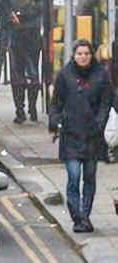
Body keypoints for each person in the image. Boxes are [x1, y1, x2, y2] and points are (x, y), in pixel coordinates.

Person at [48, 38, 112, 233]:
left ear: (91, 55)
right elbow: (56, 102)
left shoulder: (100, 75)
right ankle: (77, 216)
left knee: (90, 178)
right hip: (71, 135)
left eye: (86, 53)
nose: (83, 57)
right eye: (79, 54)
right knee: (74, 177)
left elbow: (106, 102)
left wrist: (100, 122)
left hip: (93, 136)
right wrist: (55, 120)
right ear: (73, 56)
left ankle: (85, 215)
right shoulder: (64, 75)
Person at [0, 0, 43, 124]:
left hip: (24, 32)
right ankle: (25, 109)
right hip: (25, 31)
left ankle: (24, 110)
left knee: (22, 72)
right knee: (27, 72)